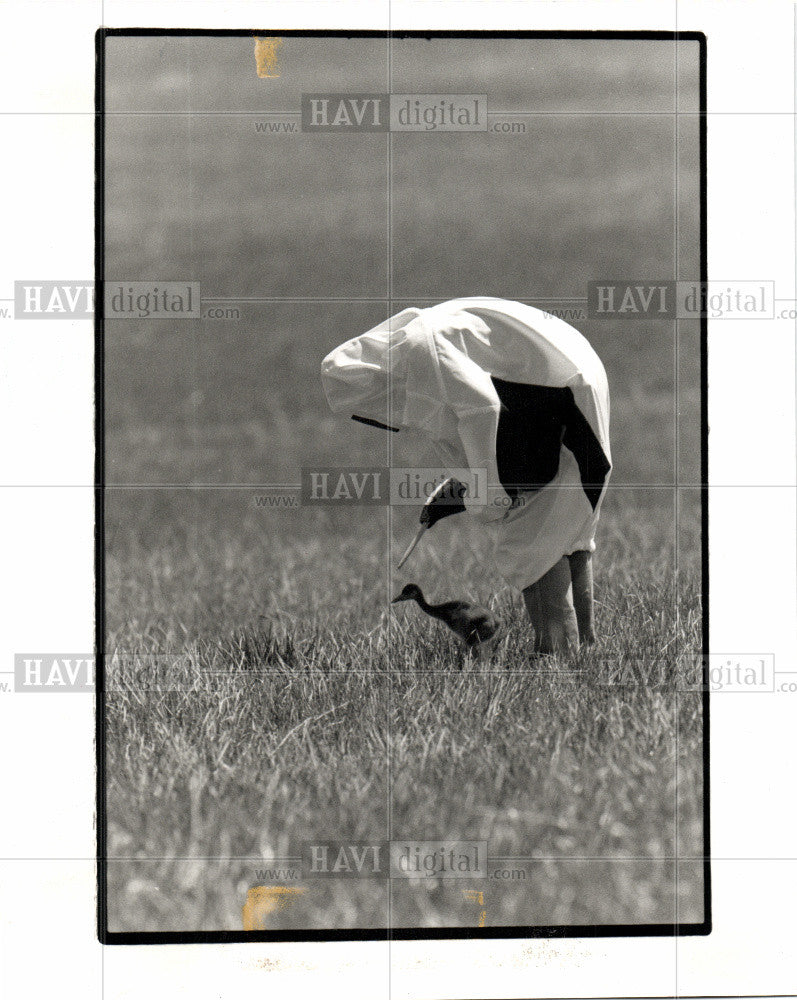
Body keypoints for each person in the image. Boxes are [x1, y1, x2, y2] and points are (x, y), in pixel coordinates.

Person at [321, 297, 611, 653]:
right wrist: (467, 484)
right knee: (570, 527)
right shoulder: (423, 336)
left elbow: (482, 413)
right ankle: (588, 648)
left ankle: (558, 655)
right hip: (565, 377)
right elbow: (470, 423)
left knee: (534, 538)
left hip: (561, 397)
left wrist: (487, 498)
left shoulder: (426, 354)